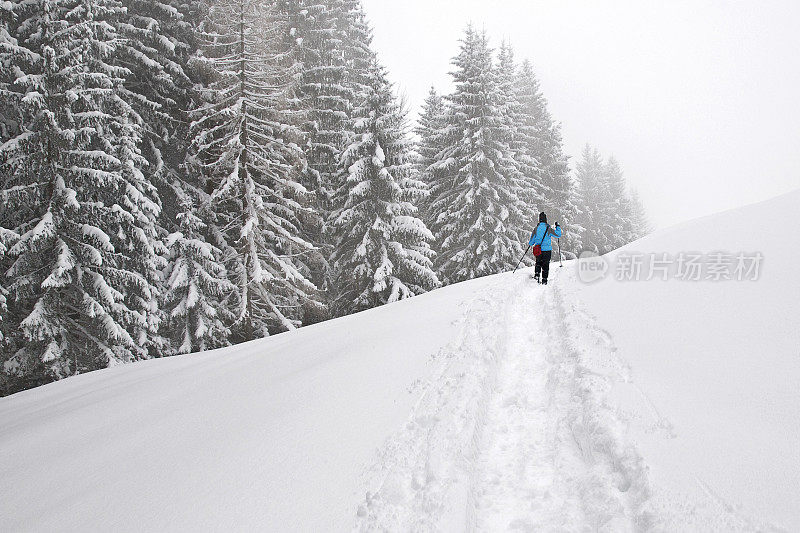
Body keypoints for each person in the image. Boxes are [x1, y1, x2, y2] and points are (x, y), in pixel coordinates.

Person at [528, 212, 562, 284]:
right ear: (546, 219)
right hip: (547, 250)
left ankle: (537, 276)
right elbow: (558, 235)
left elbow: (531, 242)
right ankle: (544, 280)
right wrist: (557, 226)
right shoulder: (548, 229)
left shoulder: (536, 229)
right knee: (545, 265)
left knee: (538, 263)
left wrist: (532, 243)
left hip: (539, 250)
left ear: (539, 219)